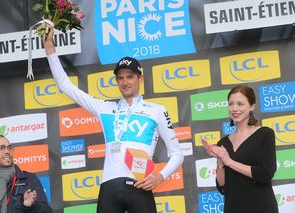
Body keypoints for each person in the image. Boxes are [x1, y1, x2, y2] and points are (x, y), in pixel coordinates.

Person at [43, 28, 184, 213]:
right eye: (120, 78)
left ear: (140, 78)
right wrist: (49, 46)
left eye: (130, 77)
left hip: (140, 186)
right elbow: (65, 85)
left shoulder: (157, 110)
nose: (125, 82)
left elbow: (177, 154)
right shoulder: (105, 108)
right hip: (109, 187)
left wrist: (159, 176)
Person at [202, 85, 278, 213]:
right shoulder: (223, 142)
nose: (234, 108)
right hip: (233, 207)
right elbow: (222, 186)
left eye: (240, 104)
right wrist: (220, 162)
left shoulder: (265, 134)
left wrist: (229, 161)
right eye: (231, 104)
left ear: (252, 106)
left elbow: (266, 174)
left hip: (261, 207)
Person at [0, 135, 52, 213]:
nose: (7, 151)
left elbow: (47, 211)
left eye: (9, 148)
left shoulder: (29, 179)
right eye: (1, 148)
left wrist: (31, 206)